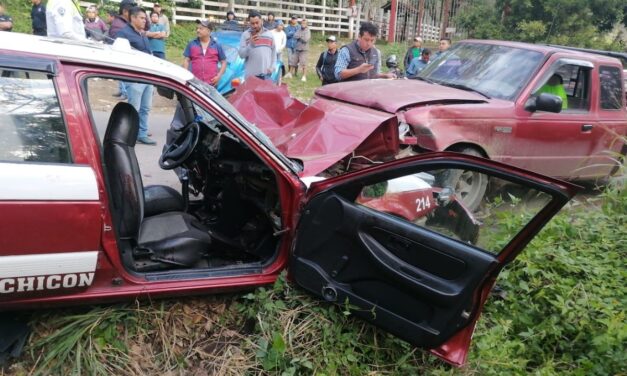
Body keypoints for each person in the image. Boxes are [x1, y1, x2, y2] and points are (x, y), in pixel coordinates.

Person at [116, 7, 157, 145]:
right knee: (134, 108)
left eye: (145, 18)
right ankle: (128, 135)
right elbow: (120, 55)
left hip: (147, 76)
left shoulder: (142, 33)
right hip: (134, 77)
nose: (145, 20)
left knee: (145, 108)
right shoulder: (123, 34)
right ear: (133, 18)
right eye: (142, 18)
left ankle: (142, 133)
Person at [183, 20, 227, 86]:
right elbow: (186, 60)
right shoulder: (191, 44)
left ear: (209, 31)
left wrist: (219, 76)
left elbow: (224, 62)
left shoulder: (217, 45)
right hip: (195, 83)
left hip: (211, 83)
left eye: (201, 29)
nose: (198, 30)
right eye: (197, 28)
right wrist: (186, 75)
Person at [238, 11, 276, 80]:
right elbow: (241, 55)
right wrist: (250, 45)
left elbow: (273, 52)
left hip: (266, 75)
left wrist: (272, 67)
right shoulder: (245, 35)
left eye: (257, 23)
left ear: (261, 21)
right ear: (249, 23)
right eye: (252, 23)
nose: (255, 25)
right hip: (251, 76)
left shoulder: (269, 34)